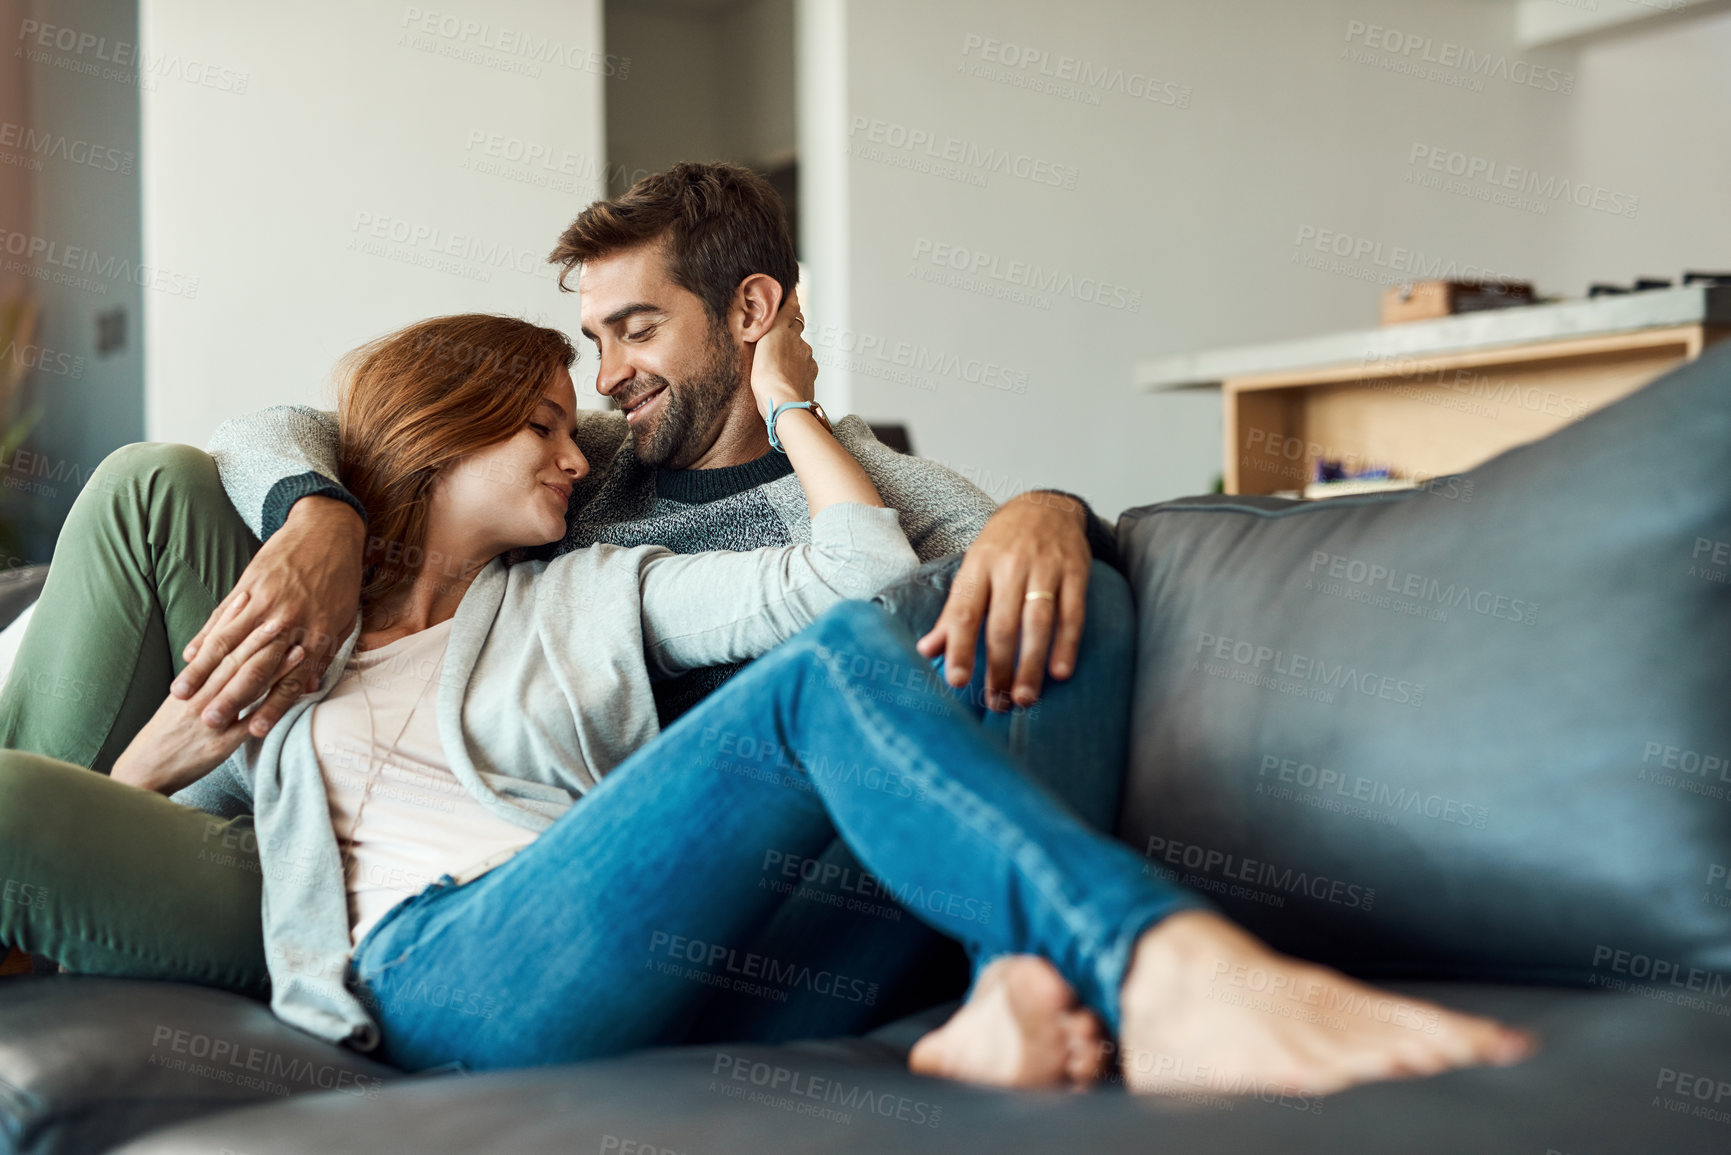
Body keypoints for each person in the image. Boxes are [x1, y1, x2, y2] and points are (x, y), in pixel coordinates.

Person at [0, 306, 1532, 1093]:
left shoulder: (597, 586)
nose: (574, 446)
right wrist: (303, 539)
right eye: (535, 422)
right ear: (439, 431)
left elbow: (855, 570)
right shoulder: (301, 643)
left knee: (871, 657)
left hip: (567, 930)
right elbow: (257, 449)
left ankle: (1062, 980)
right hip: (420, 974)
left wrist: (792, 393)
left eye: (578, 406)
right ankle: (1158, 968)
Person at [0, 162, 1137, 1041]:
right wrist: (321, 518)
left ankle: (1053, 972)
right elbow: (322, 423)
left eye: (636, 331)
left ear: (751, 312)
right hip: (390, 788)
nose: (603, 385)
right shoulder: (594, 454)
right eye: (593, 343)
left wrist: (1049, 507)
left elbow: (945, 555)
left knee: (949, 642)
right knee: (154, 484)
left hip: (658, 856)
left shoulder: (848, 484)